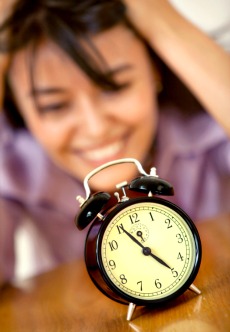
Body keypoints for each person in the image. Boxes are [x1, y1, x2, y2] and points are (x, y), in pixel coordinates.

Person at [0, 0, 230, 286]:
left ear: (155, 70)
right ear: (19, 110)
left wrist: (160, 19)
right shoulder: (17, 169)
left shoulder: (208, 127)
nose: (96, 128)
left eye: (115, 87)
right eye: (54, 105)